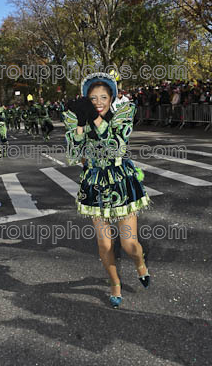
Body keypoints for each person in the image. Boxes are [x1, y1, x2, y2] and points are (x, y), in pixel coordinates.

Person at [63, 72, 151, 309]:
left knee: (130, 244)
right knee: (104, 245)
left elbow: (116, 146)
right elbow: (73, 156)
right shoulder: (79, 118)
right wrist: (81, 124)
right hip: (94, 185)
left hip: (120, 181)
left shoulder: (123, 114)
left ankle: (140, 263)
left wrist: (94, 118)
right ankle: (115, 284)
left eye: (103, 97)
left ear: (112, 98)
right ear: (86, 100)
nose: (99, 102)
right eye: (93, 98)